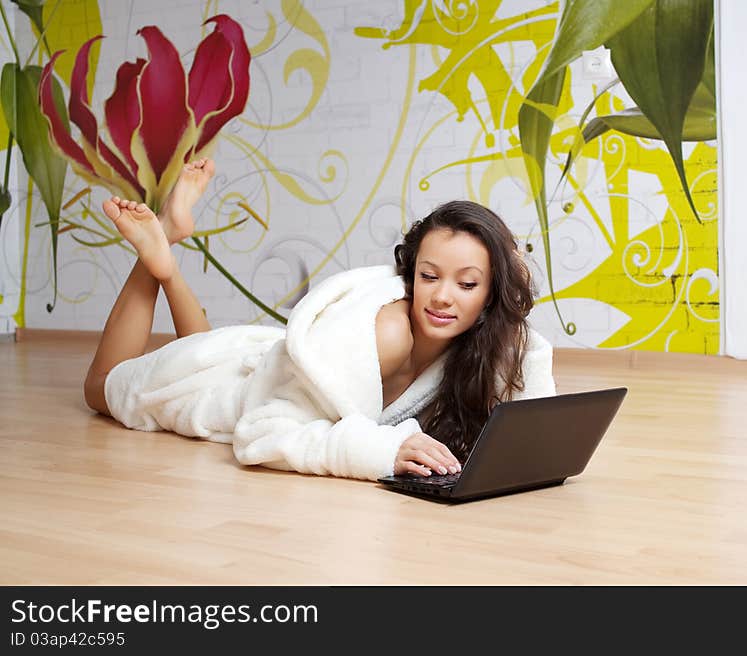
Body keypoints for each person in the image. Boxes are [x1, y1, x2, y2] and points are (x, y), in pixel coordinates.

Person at [83, 159, 556, 481]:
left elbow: (528, 406)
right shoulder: (388, 332)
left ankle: (169, 256)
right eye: (429, 276)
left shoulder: (475, 334)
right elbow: (259, 435)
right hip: (240, 396)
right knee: (100, 386)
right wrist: (379, 452)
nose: (443, 298)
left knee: (202, 346)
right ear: (412, 272)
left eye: (468, 285)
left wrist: (513, 302)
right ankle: (159, 250)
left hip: (260, 359)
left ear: (493, 292)